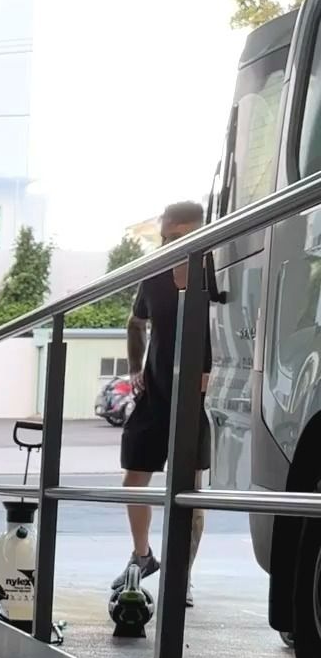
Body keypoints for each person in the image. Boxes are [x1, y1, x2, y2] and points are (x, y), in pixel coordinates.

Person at [115, 198, 212, 607]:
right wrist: (136, 368)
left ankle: (181, 577)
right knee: (134, 479)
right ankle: (143, 555)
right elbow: (136, 321)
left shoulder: (217, 271)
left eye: (183, 237)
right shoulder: (154, 274)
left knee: (189, 491)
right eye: (167, 237)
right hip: (155, 391)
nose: (173, 244)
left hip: (197, 393)